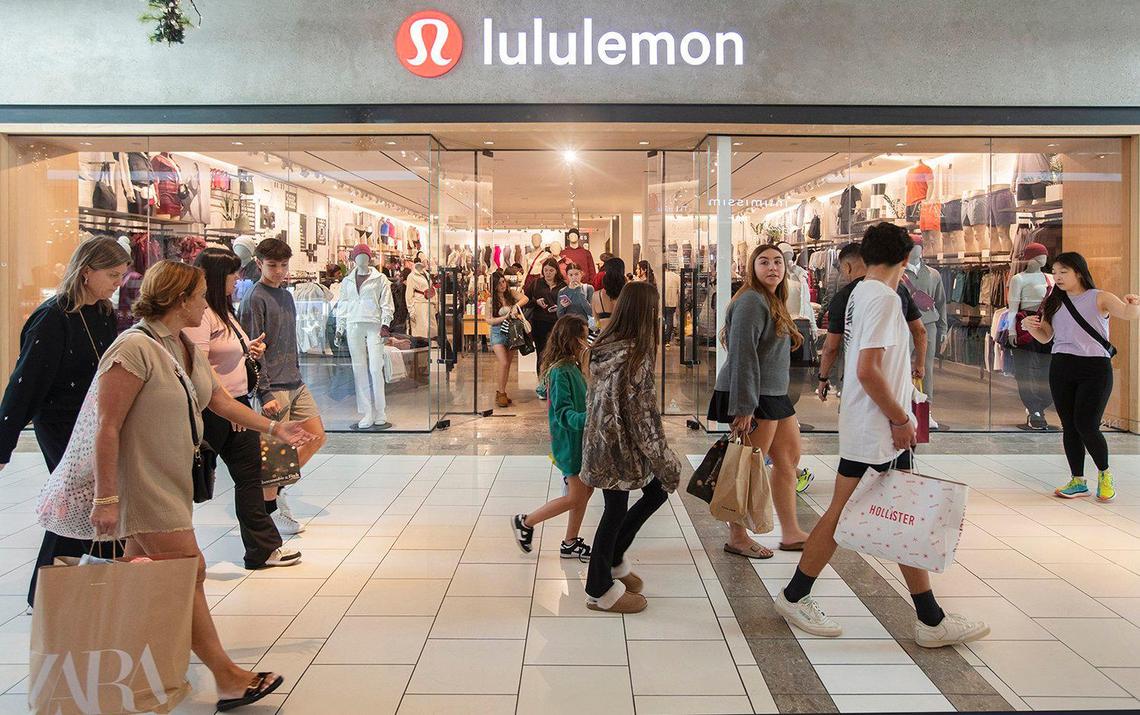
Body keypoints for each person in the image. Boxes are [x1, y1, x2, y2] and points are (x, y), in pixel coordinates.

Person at [90, 260, 316, 709]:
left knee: (150, 575)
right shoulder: (132, 348)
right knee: (187, 571)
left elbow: (218, 400)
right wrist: (106, 497)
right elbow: (106, 426)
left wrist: (275, 429)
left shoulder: (181, 345)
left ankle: (131, 670)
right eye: (197, 296)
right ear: (178, 300)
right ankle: (228, 677)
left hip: (171, 479)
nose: (205, 303)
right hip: (144, 483)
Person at [775, 223, 989, 648]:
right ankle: (796, 596)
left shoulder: (861, 293)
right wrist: (900, 418)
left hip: (871, 425)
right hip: (878, 428)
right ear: (906, 259)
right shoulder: (885, 299)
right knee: (844, 514)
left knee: (895, 509)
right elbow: (868, 370)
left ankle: (930, 618)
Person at [0, 237, 130, 609]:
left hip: (94, 422)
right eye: (112, 274)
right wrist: (4, 444)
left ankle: (72, 591)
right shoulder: (52, 318)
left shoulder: (102, 312)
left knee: (91, 502)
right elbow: (25, 385)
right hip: (61, 425)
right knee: (78, 502)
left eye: (121, 275)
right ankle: (47, 593)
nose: (118, 283)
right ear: (87, 272)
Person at [186, 248, 299, 570]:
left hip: (235, 404)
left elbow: (221, 354)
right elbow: (199, 367)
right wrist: (228, 407)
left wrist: (246, 349)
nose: (237, 279)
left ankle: (263, 548)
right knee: (191, 481)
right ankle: (173, 551)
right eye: (232, 274)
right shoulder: (201, 315)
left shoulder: (223, 311)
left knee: (251, 477)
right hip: (215, 409)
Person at [580, 281, 682, 614]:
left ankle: (613, 562)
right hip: (620, 447)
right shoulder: (636, 354)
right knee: (624, 506)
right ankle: (599, 587)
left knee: (629, 502)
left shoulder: (607, 345)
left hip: (604, 442)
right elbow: (643, 417)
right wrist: (665, 460)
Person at [707, 244, 812, 558]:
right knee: (748, 467)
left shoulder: (772, 299)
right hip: (754, 395)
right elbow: (742, 356)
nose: (772, 268)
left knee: (788, 461)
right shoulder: (751, 300)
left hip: (774, 394)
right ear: (752, 268)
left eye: (778, 262)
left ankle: (791, 532)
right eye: (764, 262)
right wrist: (744, 406)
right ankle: (737, 537)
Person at [1022, 251, 1140, 501]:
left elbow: (1128, 315)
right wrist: (1032, 329)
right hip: (1062, 366)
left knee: (1086, 424)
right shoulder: (1054, 301)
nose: (1058, 277)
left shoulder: (1100, 297)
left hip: (1095, 368)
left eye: (1063, 272)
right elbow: (1046, 337)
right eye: (1055, 273)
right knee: (1070, 426)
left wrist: (1133, 304)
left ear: (1078, 272)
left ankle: (1105, 474)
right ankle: (1078, 481)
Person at [238, 238, 327, 536]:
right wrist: (263, 392)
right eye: (272, 265)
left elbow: (290, 341)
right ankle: (272, 510)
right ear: (259, 263)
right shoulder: (254, 298)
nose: (279, 271)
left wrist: (298, 373)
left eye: (284, 265)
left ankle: (277, 490)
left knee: (316, 436)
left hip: (294, 380)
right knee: (275, 453)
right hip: (272, 385)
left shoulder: (287, 296)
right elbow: (253, 352)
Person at [511, 316, 594, 561]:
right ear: (571, 340)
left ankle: (570, 541)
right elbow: (563, 413)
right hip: (569, 442)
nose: (586, 342)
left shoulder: (573, 367)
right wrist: (590, 418)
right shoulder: (560, 372)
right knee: (576, 496)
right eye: (583, 337)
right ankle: (526, 522)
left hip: (579, 440)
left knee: (585, 491)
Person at [817, 242, 928, 401]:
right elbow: (920, 331)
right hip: (897, 376)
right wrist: (920, 365)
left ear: (847, 267)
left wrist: (823, 377)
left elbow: (831, 347)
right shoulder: (899, 290)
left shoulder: (843, 297)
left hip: (858, 381)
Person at [486, 269, 529, 408]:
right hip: (498, 332)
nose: (502, 285)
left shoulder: (511, 294)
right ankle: (501, 393)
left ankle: (502, 392)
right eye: (499, 283)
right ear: (494, 286)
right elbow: (488, 320)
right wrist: (504, 317)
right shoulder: (491, 300)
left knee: (508, 364)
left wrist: (515, 306)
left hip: (511, 332)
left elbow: (525, 298)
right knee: (504, 362)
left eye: (503, 282)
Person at [525, 257, 566, 364]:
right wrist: (536, 302)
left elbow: (568, 304)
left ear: (556, 271)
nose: (548, 273)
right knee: (541, 353)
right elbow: (525, 301)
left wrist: (560, 306)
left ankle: (553, 374)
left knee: (556, 353)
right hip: (539, 323)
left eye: (551, 270)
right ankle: (541, 375)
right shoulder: (536, 283)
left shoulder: (563, 285)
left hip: (557, 323)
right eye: (546, 270)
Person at [592, 257, 627, 333]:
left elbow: (596, 323)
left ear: (606, 272)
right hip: (623, 336)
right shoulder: (628, 294)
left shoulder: (596, 295)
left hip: (604, 336)